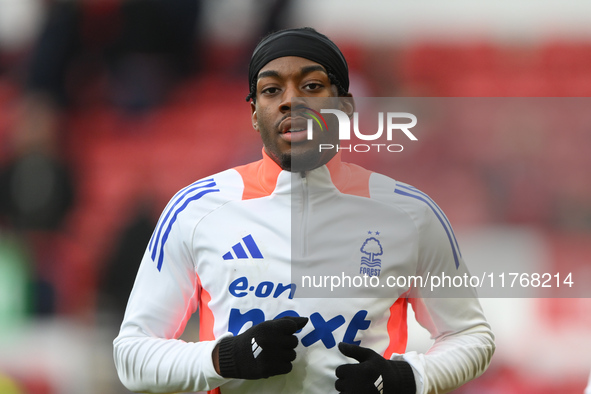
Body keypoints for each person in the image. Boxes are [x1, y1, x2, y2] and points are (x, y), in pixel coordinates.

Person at [113, 27, 495, 394]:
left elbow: (471, 336)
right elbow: (132, 355)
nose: (290, 100)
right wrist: (223, 359)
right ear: (253, 112)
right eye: (270, 89)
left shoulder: (410, 214)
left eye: (311, 86)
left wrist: (406, 377)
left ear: (344, 107)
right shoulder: (196, 209)